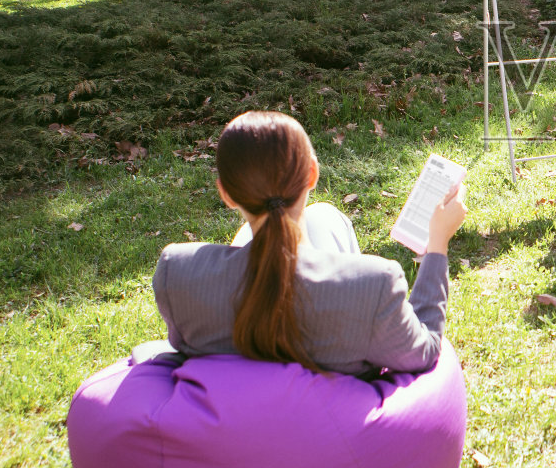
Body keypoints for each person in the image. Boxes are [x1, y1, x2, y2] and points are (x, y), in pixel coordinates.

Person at [152, 110, 468, 377]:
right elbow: (424, 351)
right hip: (338, 440)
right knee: (326, 218)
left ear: (226, 194)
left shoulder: (176, 274)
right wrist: (437, 243)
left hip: (225, 440)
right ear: (313, 175)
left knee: (320, 218)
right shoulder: (375, 286)